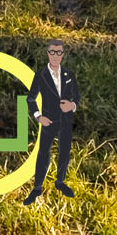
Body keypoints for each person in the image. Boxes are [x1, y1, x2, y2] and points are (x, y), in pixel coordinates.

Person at [24, 39, 80, 203]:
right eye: (52, 52)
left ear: (63, 54)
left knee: (64, 152)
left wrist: (72, 105)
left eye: (59, 52)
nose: (56, 55)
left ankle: (60, 182)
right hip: (48, 120)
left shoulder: (68, 74)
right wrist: (39, 116)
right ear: (48, 53)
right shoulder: (40, 75)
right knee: (43, 153)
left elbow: (76, 96)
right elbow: (31, 99)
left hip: (66, 120)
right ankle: (37, 187)